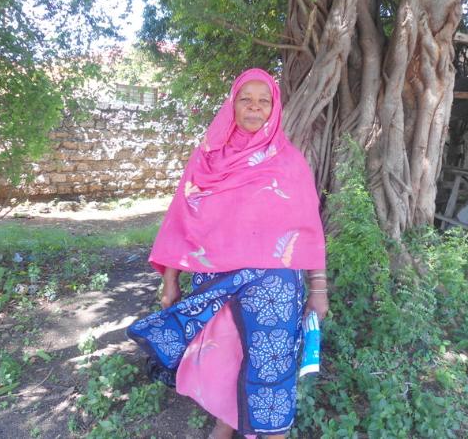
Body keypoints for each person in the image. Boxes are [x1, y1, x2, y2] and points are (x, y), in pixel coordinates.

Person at [127, 68, 328, 438]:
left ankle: (273, 433)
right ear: (232, 105)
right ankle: (224, 423)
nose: (254, 108)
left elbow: (309, 232)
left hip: (274, 295)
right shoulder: (207, 159)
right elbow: (182, 219)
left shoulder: (290, 163)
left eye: (263, 101)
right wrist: (170, 280)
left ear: (275, 108)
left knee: (271, 365)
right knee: (221, 359)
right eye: (245, 100)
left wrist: (319, 290)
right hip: (216, 284)